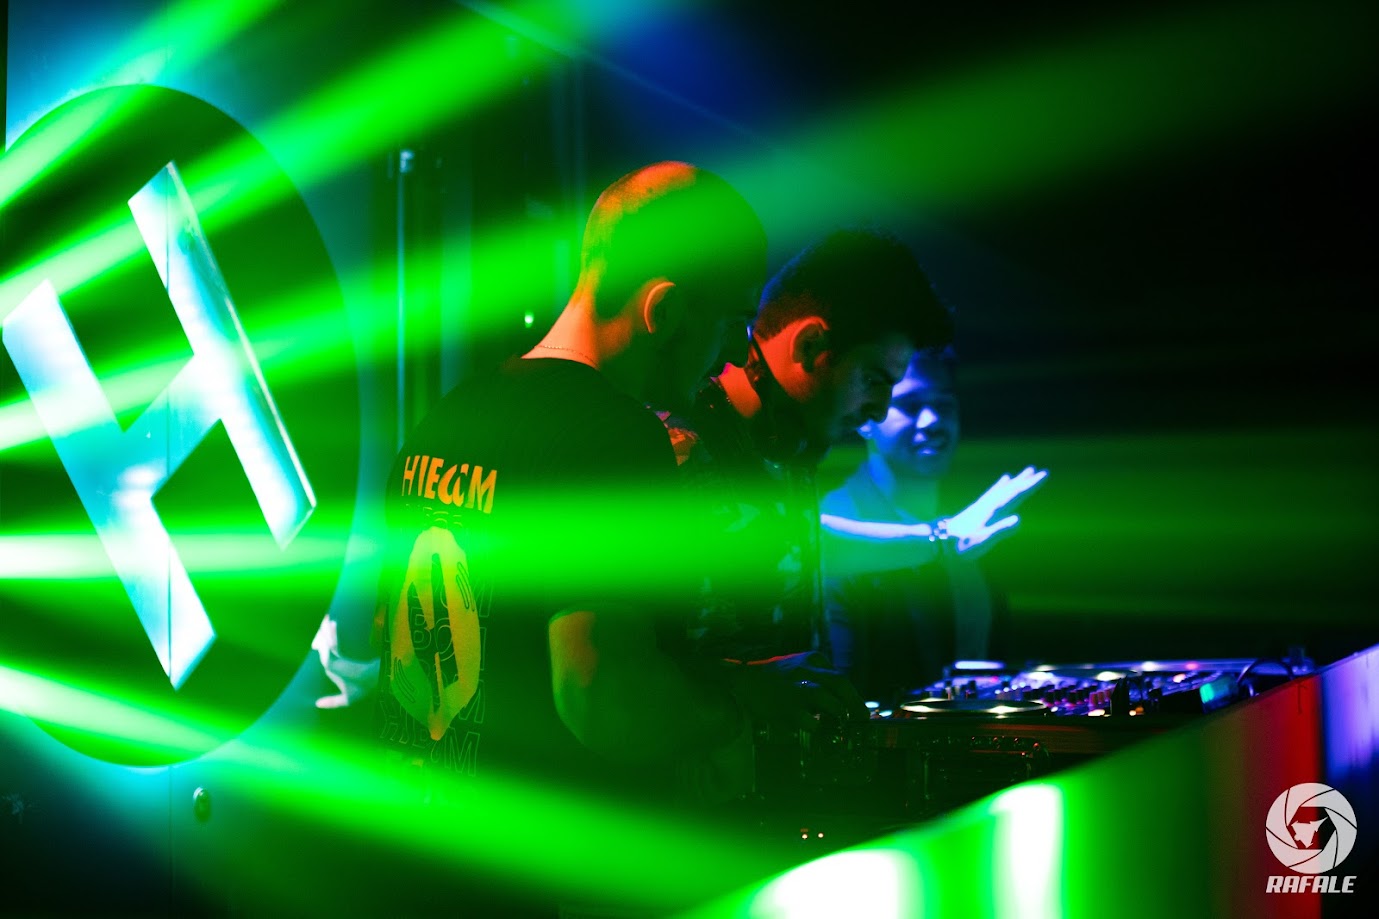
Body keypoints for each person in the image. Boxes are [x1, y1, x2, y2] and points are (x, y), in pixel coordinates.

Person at [367, 161, 859, 916]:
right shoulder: (614, 433)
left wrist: (725, 682)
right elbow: (601, 697)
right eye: (729, 326)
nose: (728, 361)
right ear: (665, 309)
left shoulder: (450, 415)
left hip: (421, 866)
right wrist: (733, 718)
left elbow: (402, 633)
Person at [657, 227, 954, 667]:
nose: (878, 410)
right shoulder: (678, 454)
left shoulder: (786, 449)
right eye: (873, 379)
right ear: (811, 345)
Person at [820, 346, 1047, 706]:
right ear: (866, 415)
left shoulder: (974, 517)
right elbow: (840, 689)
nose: (932, 421)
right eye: (910, 405)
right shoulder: (839, 520)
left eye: (944, 404)